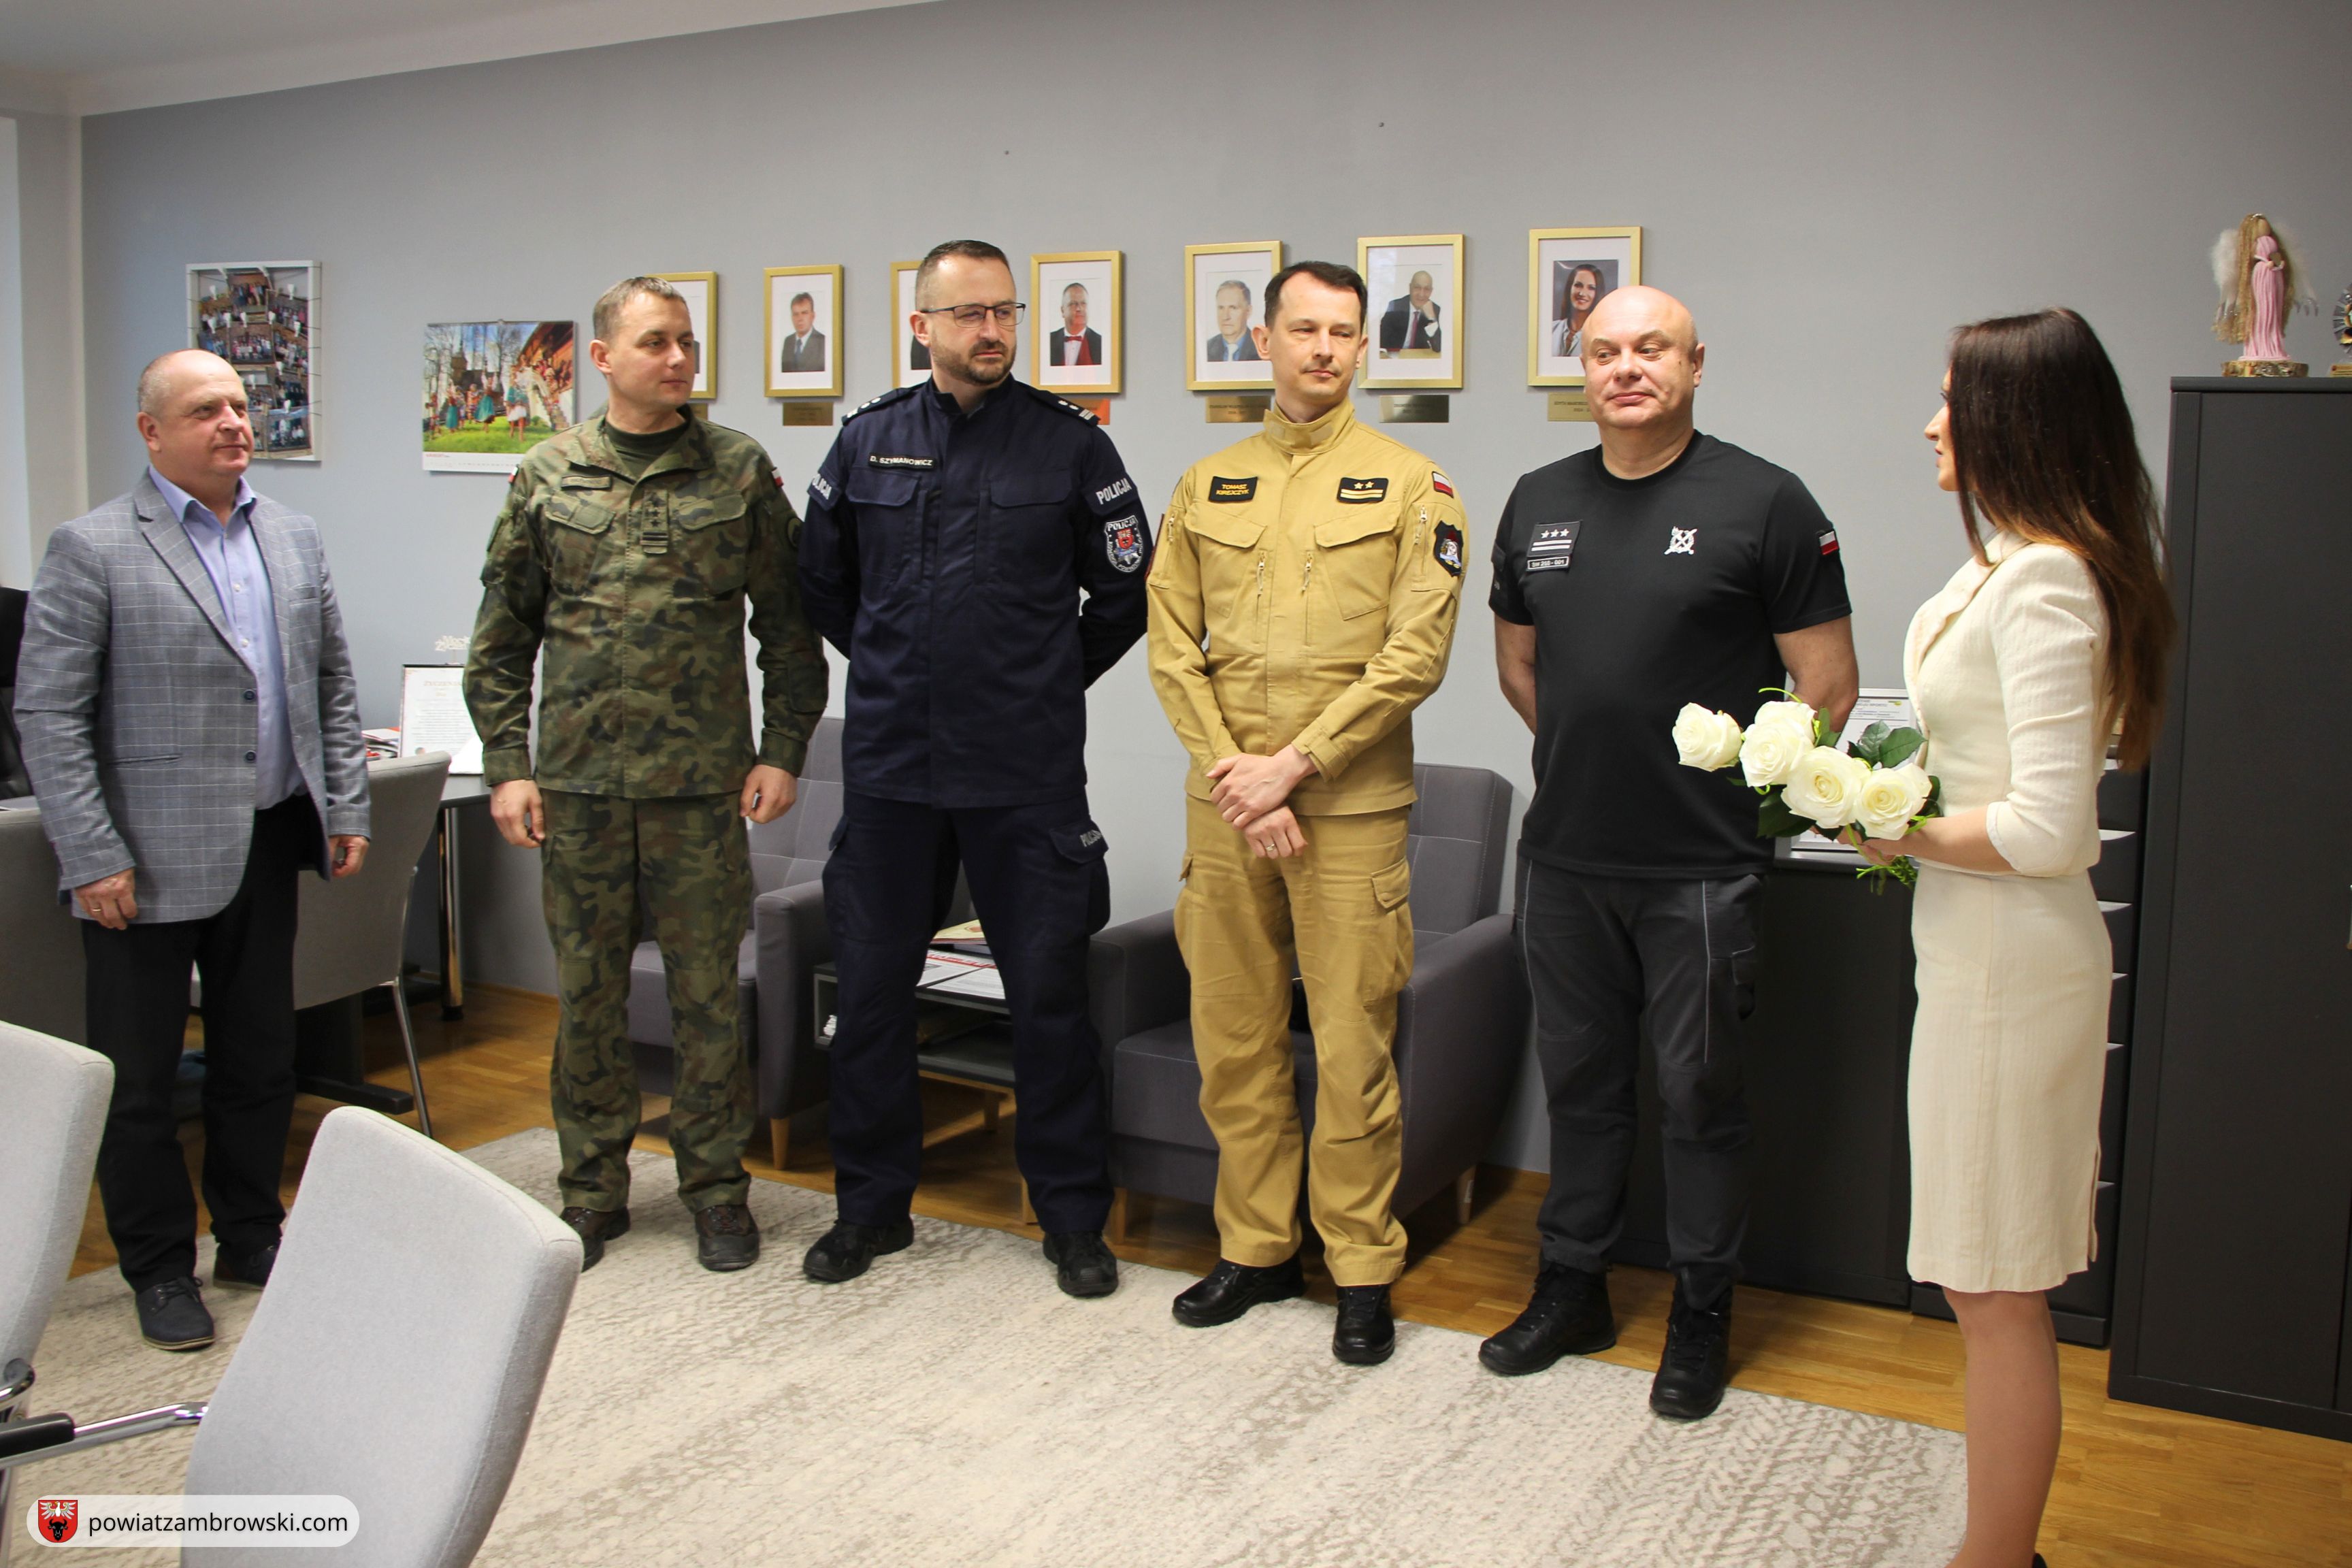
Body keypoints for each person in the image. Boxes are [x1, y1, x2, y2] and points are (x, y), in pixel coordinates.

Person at [1484, 286, 1858, 1419]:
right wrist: (1596, 760)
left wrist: (1737, 793)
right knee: (1582, 1088)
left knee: (1699, 1097)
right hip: (1566, 858)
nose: (1627, 367)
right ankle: (1573, 1287)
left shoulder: (1765, 501)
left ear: (1696, 364)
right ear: (1582, 371)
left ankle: (1701, 1311)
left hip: (1700, 865)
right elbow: (1519, 667)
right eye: (1605, 351)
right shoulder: (1538, 499)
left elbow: (1828, 686)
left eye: (1652, 348)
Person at [1859, 308, 2172, 1568]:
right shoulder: (2003, 566)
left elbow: (2051, 826)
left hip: (2011, 969)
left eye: (1952, 400)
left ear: (2014, 419)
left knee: (1995, 1286)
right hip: (1970, 956)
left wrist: (1892, 827)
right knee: (1980, 1279)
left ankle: (1996, 1559)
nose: (1932, 423)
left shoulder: (2045, 577)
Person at [797, 239, 1149, 1298]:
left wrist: (1037, 681)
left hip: (1023, 774)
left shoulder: (1072, 447)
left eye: (1005, 312)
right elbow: (824, 587)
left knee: (1048, 999)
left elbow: (1124, 596)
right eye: (968, 314)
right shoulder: (867, 443)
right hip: (893, 771)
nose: (992, 331)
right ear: (922, 326)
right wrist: (901, 671)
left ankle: (1072, 1221)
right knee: (871, 998)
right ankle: (870, 1210)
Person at [464, 276, 827, 1275]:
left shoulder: (736, 470)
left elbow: (790, 631)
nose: (678, 360)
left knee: (708, 998)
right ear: (603, 358)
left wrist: (783, 751)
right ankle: (591, 1187)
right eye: (656, 342)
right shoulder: (547, 475)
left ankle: (716, 1189)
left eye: (687, 343)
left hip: (701, 791)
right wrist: (508, 767)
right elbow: (501, 641)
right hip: (578, 789)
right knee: (586, 996)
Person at [14, 348, 372, 1353]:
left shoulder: (292, 537)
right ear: (152, 432)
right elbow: (48, 715)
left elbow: (331, 682)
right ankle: (160, 1266)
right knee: (137, 1084)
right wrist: (91, 854)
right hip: (143, 861)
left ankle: (252, 1235)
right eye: (206, 409)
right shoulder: (92, 548)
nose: (233, 423)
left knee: (260, 1060)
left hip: (267, 837)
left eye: (240, 405)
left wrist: (345, 804)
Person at [1146, 259, 1467, 1366]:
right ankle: (1255, 1249)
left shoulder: (1414, 484)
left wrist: (1294, 767)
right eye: (1303, 329)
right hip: (1226, 808)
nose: (1323, 348)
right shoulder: (1206, 485)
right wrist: (1238, 776)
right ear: (1264, 341)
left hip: (1350, 808)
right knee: (1233, 1042)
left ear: (1363, 348)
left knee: (1353, 1047)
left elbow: (1415, 655)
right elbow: (1172, 649)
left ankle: (1362, 1266)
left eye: (1342, 332)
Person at [1546, 263, 1606, 359]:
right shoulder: (1551, 329)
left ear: (1598, 293)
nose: (1582, 293)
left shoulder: (1603, 334)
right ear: (1570, 288)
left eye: (1591, 288)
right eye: (1578, 285)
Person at [1377, 270, 1441, 353]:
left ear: (1431, 291)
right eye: (1417, 288)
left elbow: (1438, 348)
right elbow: (1381, 341)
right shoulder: (1396, 306)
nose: (1421, 294)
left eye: (1427, 289)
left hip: (1418, 357)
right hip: (1397, 357)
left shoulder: (1434, 309)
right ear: (1410, 288)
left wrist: (1432, 318)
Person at [1047, 281, 1102, 368]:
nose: (1079, 309)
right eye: (1073, 304)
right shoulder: (1048, 341)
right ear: (1063, 311)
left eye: (1083, 303)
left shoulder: (1101, 343)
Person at [1205, 278, 1261, 363]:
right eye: (1221, 308)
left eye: (1233, 308)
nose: (1226, 317)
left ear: (1248, 311)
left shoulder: (1261, 348)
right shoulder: (1206, 349)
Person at [779, 291, 828, 374]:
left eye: (804, 313)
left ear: (813, 316)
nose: (800, 319)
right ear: (792, 317)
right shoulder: (788, 341)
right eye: (796, 314)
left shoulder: (823, 342)